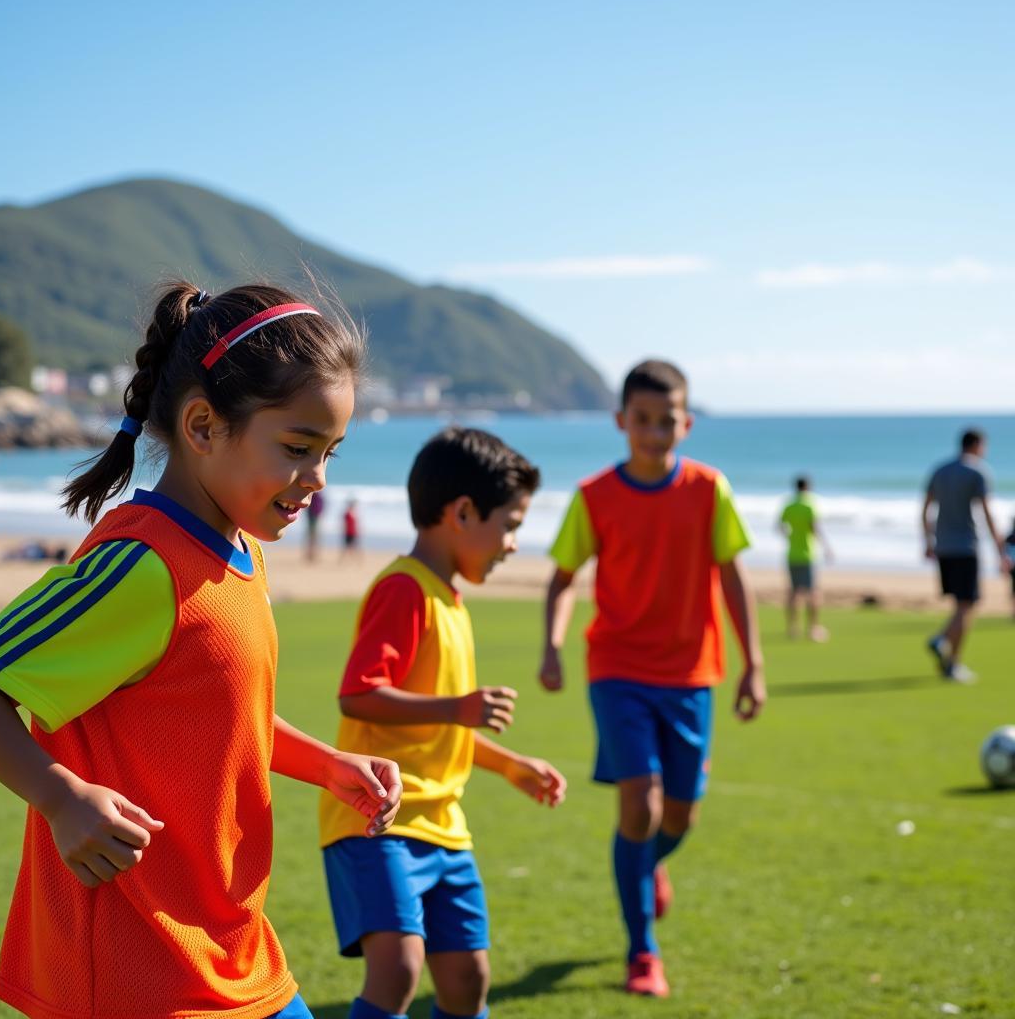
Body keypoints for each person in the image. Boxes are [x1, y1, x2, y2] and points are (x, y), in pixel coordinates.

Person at [0, 281, 403, 1019]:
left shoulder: (238, 548)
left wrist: (328, 766)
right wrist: (59, 797)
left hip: (230, 947)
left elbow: (219, 716)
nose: (318, 480)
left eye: (331, 453)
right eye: (298, 449)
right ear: (204, 426)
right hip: (136, 973)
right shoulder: (140, 567)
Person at [320, 427, 566, 1019]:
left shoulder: (450, 601)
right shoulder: (406, 590)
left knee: (466, 977)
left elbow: (437, 725)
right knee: (399, 968)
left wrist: (510, 765)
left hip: (444, 827)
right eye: (509, 525)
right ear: (461, 512)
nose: (512, 544)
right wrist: (458, 708)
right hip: (379, 821)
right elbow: (359, 695)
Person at [538, 359, 765, 998]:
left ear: (686, 424)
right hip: (617, 670)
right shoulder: (593, 496)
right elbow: (562, 579)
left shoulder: (708, 488)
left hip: (692, 675)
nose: (655, 432)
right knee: (639, 805)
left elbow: (734, 577)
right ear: (621, 423)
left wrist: (755, 664)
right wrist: (553, 646)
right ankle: (643, 952)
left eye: (667, 421)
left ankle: (645, 869)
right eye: (642, 420)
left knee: (679, 818)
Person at [922, 428, 1011, 683]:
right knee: (966, 606)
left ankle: (947, 655)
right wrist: (1000, 550)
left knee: (960, 604)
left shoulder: (940, 470)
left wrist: (928, 541)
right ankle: (947, 651)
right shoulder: (977, 471)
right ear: (977, 445)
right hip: (966, 546)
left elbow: (926, 507)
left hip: (944, 547)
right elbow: (987, 512)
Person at [779, 475, 833, 641]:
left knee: (793, 592)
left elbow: (780, 525)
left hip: (791, 554)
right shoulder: (810, 504)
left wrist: (789, 538)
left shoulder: (789, 504)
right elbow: (815, 527)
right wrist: (827, 547)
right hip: (808, 554)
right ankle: (813, 628)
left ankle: (793, 628)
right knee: (812, 593)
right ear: (808, 487)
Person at [305, 489, 325, 562]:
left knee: (314, 537)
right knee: (312, 537)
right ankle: (311, 554)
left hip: (315, 517)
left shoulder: (317, 495)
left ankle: (313, 554)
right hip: (313, 517)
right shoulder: (314, 495)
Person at [1007, 518, 1015, 620]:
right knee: (1013, 592)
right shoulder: (1009, 538)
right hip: (1013, 567)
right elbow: (1007, 552)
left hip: (1012, 567)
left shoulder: (1009, 537)